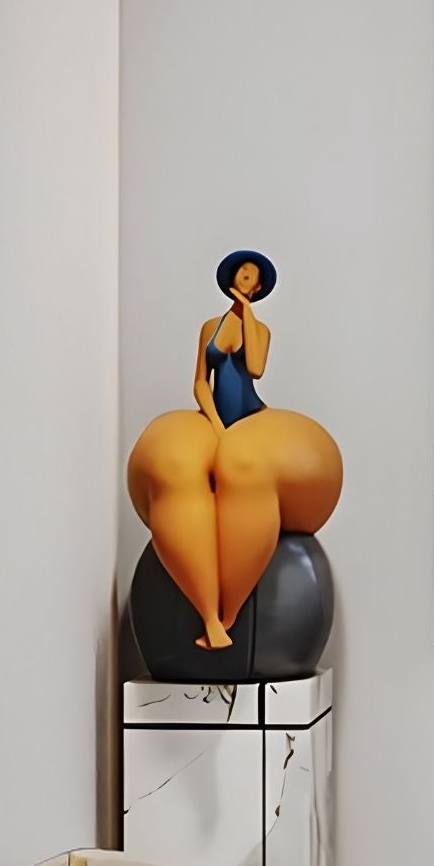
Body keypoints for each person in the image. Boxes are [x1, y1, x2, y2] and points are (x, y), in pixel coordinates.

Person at [126, 251, 342, 650]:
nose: (245, 281)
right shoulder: (209, 327)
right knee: (175, 461)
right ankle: (209, 616)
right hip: (214, 417)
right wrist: (215, 425)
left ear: (256, 289)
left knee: (242, 462)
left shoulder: (261, 331)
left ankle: (231, 614)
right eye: (242, 275)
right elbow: (200, 382)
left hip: (252, 415)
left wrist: (248, 315)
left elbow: (256, 368)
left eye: (251, 280)